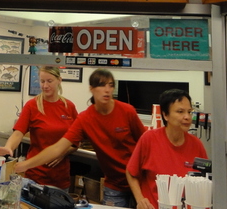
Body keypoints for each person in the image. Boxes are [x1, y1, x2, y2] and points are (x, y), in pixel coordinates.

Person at [15, 69, 146, 207]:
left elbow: (146, 143)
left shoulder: (127, 111)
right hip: (114, 185)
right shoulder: (85, 119)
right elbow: (58, 147)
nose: (106, 90)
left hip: (142, 179)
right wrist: (26, 164)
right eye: (101, 85)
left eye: (110, 85)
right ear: (92, 89)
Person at [0, 66, 79, 190]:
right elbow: (18, 133)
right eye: (42, 81)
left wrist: (62, 152)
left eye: (49, 81)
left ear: (59, 80)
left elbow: (76, 141)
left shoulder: (69, 107)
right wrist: (9, 147)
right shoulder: (32, 105)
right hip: (35, 176)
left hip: (60, 178)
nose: (45, 85)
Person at [126, 89, 208, 209]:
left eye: (189, 112)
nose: (187, 117)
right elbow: (131, 172)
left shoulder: (197, 144)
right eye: (180, 112)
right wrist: (140, 200)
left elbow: (205, 180)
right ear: (165, 115)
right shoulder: (149, 139)